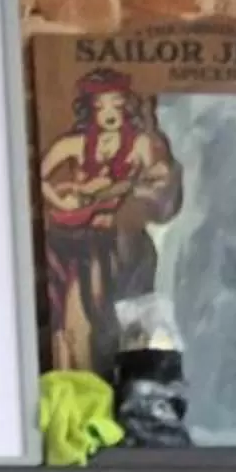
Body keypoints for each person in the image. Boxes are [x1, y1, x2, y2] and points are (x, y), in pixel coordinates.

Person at [37, 66, 183, 376]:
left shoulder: (141, 144)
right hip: (83, 239)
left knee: (130, 311)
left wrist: (137, 190)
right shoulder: (75, 145)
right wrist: (61, 199)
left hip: (124, 238)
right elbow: (41, 175)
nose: (110, 114)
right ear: (89, 110)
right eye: (101, 106)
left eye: (116, 105)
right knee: (80, 311)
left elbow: (160, 182)